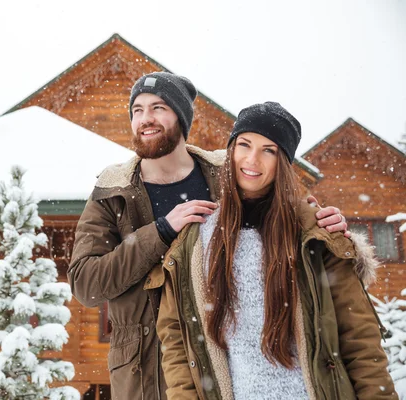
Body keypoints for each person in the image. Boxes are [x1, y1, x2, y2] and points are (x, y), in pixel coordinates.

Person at [67, 73, 348, 400]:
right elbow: (85, 284)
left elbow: (280, 211)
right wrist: (160, 232)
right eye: (138, 110)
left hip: (224, 367)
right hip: (145, 376)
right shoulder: (111, 193)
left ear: (182, 118)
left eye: (158, 108)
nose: (146, 119)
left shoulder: (226, 175)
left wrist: (317, 221)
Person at [153, 101, 396, 399]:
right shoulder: (197, 238)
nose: (252, 160)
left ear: (283, 162)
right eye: (244, 145)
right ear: (231, 151)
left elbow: (360, 340)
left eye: (269, 150)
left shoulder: (315, 236)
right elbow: (176, 340)